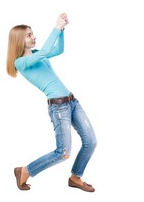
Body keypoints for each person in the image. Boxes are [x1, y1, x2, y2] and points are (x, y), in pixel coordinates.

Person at [6, 13, 97, 192]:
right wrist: (55, 26)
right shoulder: (21, 62)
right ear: (18, 40)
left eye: (32, 33)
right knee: (62, 153)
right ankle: (24, 171)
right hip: (59, 107)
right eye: (29, 35)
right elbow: (48, 50)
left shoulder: (37, 53)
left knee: (91, 141)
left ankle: (75, 177)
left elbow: (57, 50)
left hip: (72, 101)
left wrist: (61, 30)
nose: (34, 37)